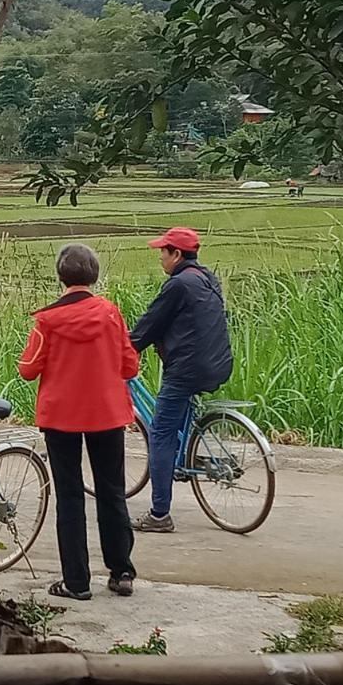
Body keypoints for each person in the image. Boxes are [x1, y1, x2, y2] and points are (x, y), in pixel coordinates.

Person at [18, 244, 140, 601]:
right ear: (94, 276)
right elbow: (129, 365)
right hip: (107, 413)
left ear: (61, 276)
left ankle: (76, 581)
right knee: (112, 492)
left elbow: (27, 370)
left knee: (69, 496)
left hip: (61, 417)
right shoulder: (110, 314)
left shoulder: (47, 320)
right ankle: (122, 572)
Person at [128, 228, 233, 533]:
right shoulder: (206, 278)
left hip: (187, 370)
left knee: (161, 433)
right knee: (175, 423)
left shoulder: (178, 285)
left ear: (176, 254)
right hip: (216, 365)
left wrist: (124, 345)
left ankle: (159, 515)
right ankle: (184, 455)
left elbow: (150, 323)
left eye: (163, 251)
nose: (160, 256)